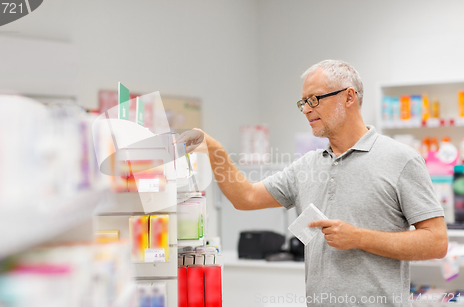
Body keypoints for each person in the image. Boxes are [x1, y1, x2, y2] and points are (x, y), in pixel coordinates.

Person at [177, 59, 448, 307]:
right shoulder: (306, 166)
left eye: (315, 99)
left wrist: (359, 238)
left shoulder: (401, 160)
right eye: (303, 102)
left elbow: (436, 242)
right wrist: (214, 149)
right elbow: (245, 197)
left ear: (348, 97)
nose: (306, 109)